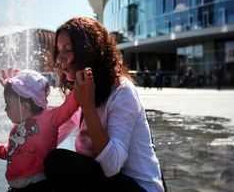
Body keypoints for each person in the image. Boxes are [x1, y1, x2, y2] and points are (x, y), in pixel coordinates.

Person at [43, 17, 165, 192]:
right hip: (108, 183)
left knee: (58, 162)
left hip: (139, 187)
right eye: (58, 50)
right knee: (45, 165)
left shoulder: (122, 91)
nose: (60, 58)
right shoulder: (79, 91)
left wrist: (88, 108)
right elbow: (50, 135)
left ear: (88, 52)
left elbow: (112, 165)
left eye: (68, 50)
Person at [0, 68, 88, 192]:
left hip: (39, 185)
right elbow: (11, 152)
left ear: (25, 107)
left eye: (8, 105)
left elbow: (68, 106)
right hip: (15, 187)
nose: (5, 110)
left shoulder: (50, 118)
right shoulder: (16, 130)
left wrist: (78, 86)